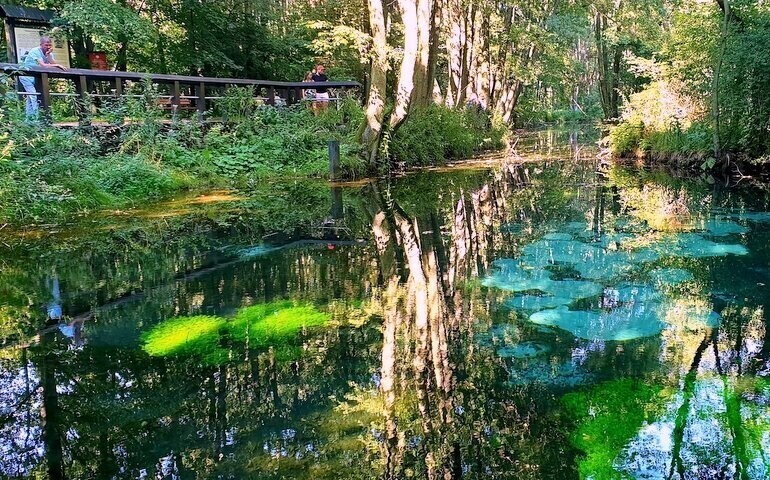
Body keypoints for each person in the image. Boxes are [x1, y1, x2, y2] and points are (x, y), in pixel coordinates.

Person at [19, 36, 66, 120]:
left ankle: (28, 120)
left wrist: (48, 55)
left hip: (36, 78)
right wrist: (57, 65)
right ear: (41, 45)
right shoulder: (35, 51)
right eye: (46, 45)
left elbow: (53, 64)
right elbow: (43, 65)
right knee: (34, 96)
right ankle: (37, 119)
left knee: (31, 98)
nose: (48, 47)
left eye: (50, 45)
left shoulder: (49, 53)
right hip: (26, 76)